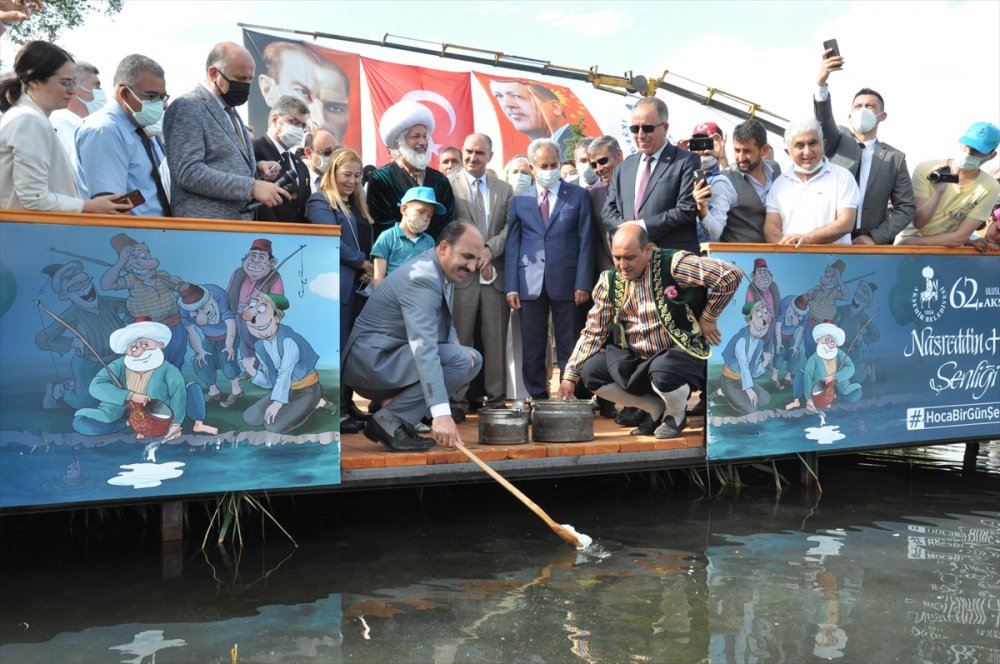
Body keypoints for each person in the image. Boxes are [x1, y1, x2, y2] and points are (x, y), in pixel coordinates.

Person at [556, 223, 743, 438]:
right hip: (639, 358)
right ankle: (654, 408)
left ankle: (675, 414)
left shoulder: (674, 264)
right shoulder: (610, 281)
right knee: (591, 372)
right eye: (616, 257)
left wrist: (709, 317)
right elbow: (594, 332)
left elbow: (730, 275)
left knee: (663, 371)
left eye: (629, 258)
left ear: (649, 249)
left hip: (680, 354)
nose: (622, 265)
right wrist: (570, 377)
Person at [343, 221, 484, 452]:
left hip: (391, 357)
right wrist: (441, 413)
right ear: (443, 248)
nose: (471, 267)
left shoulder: (441, 268)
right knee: (460, 360)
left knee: (470, 358)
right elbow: (423, 347)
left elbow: (443, 320)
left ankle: (394, 420)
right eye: (467, 257)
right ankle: (388, 422)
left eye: (476, 260)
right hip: (372, 364)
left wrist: (453, 342)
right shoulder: (423, 278)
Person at [505, 138, 594, 401]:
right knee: (532, 345)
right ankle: (536, 395)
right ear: (533, 167)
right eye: (544, 165)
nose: (549, 170)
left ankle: (571, 392)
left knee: (570, 342)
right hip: (528, 282)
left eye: (554, 164)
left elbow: (586, 241)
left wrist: (583, 282)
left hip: (567, 280)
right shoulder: (520, 199)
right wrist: (511, 285)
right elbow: (513, 244)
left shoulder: (578, 195)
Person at [164, 42, 289, 220]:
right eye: (240, 78)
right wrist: (251, 186)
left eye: (249, 80)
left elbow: (221, 162)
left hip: (234, 229)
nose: (246, 86)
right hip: (205, 229)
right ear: (214, 73)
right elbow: (188, 172)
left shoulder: (231, 111)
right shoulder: (188, 107)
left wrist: (256, 170)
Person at [0, 41, 129, 214]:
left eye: (74, 82)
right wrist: (90, 206)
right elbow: (35, 198)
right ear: (36, 81)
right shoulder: (28, 120)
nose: (73, 91)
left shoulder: (29, 117)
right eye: (66, 82)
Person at [815, 49, 915, 245]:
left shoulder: (895, 158)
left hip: (869, 245)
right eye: (858, 106)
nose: (863, 110)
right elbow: (823, 119)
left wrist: (875, 237)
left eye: (869, 106)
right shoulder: (836, 139)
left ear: (882, 116)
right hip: (828, 238)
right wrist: (821, 85)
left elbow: (905, 207)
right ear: (850, 116)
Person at [306, 147, 374, 432]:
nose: (352, 181)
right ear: (332, 172)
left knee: (350, 349)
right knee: (336, 349)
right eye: (347, 174)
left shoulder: (358, 206)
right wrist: (362, 263)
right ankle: (337, 410)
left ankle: (348, 403)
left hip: (359, 288)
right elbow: (329, 239)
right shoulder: (320, 201)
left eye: (357, 176)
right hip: (336, 287)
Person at [447, 133, 515, 415]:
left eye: (479, 153)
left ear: (490, 156)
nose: (473, 157)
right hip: (463, 274)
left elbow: (510, 227)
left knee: (495, 341)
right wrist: (474, 255)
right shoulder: (449, 185)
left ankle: (497, 400)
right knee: (460, 341)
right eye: (468, 151)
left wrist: (490, 249)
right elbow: (449, 227)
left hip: (494, 275)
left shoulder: (504, 189)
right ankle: (458, 402)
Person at [72, 319, 216, 441]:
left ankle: (198, 423)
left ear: (159, 345)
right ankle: (129, 424)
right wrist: (130, 396)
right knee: (80, 422)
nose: (139, 350)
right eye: (133, 347)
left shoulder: (167, 369)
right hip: (124, 411)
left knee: (192, 389)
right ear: (126, 351)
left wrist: (176, 424)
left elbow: (178, 394)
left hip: (159, 414)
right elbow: (96, 386)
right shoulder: (118, 365)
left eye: (145, 344)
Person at [75, 53, 172, 217]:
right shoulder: (104, 130)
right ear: (125, 93)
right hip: (134, 237)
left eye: (161, 97)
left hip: (155, 234)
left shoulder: (135, 128)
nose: (159, 104)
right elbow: (111, 208)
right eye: (151, 96)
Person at [603, 97, 701, 253]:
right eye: (635, 129)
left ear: (665, 127)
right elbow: (608, 210)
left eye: (647, 128)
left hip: (671, 259)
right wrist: (628, 232)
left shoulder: (686, 161)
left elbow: (686, 209)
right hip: (632, 262)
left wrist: (640, 227)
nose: (640, 135)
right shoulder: (624, 167)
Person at [35, 261, 129, 411]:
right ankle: (60, 390)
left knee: (128, 398)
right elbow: (42, 340)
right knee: (85, 403)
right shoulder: (72, 314)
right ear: (64, 295)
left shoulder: (108, 303)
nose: (82, 286)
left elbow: (132, 306)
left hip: (119, 359)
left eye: (83, 281)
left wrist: (129, 327)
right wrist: (73, 343)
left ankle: (75, 384)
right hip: (90, 364)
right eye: (70, 281)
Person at [240, 291, 333, 434]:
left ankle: (317, 402)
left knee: (273, 426)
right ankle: (292, 405)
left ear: (276, 318)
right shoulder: (260, 346)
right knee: (250, 417)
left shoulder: (288, 340)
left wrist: (277, 403)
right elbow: (270, 380)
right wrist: (251, 370)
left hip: (306, 389)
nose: (254, 321)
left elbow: (285, 372)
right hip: (286, 390)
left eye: (262, 311)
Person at [895, 122, 1000, 248]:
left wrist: (915, 242)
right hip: (908, 250)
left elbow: (959, 238)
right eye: (968, 146)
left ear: (991, 155)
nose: (969, 153)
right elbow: (919, 223)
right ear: (961, 143)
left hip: (942, 253)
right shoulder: (925, 168)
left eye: (977, 151)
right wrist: (939, 193)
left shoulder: (990, 187)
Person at [366, 99, 456, 240]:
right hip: (396, 257)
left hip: (434, 256)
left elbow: (447, 225)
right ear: (400, 141)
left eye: (425, 136)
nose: (422, 142)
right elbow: (382, 223)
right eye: (416, 136)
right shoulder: (381, 178)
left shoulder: (441, 180)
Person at [763, 119, 859, 246]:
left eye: (812, 143)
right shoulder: (779, 185)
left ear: (823, 144)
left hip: (835, 262)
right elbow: (771, 228)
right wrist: (787, 249)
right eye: (799, 145)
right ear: (788, 152)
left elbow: (846, 222)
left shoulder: (843, 177)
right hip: (792, 261)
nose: (807, 151)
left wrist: (807, 239)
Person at [696, 119, 780, 243]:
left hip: (778, 256)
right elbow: (715, 232)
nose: (740, 158)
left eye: (747, 151)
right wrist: (703, 210)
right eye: (737, 150)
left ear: (764, 150)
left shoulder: (775, 169)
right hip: (739, 258)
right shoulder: (725, 181)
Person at [258, 40, 349, 144]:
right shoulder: (256, 155)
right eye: (302, 92)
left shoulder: (289, 158)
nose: (320, 122)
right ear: (268, 89)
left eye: (334, 108)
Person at [176, 282, 241, 405]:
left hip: (227, 334)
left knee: (227, 358)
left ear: (210, 296)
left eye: (203, 307)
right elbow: (191, 331)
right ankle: (213, 390)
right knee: (201, 362)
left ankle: (236, 389)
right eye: (195, 311)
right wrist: (200, 351)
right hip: (209, 337)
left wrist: (229, 345)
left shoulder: (218, 294)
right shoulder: (183, 306)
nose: (200, 312)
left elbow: (230, 322)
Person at [251, 95, 311, 222]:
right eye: (294, 122)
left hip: (297, 237)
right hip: (265, 234)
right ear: (274, 120)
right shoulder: (253, 150)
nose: (299, 129)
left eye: (303, 126)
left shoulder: (300, 165)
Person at [371, 186, 443, 287]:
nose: (425, 218)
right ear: (404, 209)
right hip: (392, 298)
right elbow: (378, 279)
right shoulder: (387, 237)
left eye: (429, 215)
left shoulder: (429, 241)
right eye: (421, 212)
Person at [490, 79, 574, 158]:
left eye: (516, 96)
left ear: (555, 107)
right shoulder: (530, 158)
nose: (506, 104)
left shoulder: (576, 147)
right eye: (499, 96)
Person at [49, 60, 102, 164]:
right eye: (96, 86)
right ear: (75, 88)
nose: (101, 92)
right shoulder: (56, 127)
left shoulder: (91, 127)